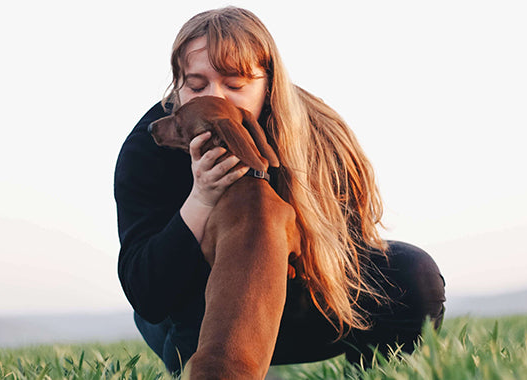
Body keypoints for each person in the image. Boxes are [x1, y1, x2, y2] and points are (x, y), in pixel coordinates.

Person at [114, 6, 445, 374]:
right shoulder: (152, 145)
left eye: (235, 85)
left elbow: (350, 249)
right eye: (196, 85)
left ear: (268, 83)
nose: (217, 97)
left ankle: (369, 372)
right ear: (177, 83)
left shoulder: (318, 132)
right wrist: (200, 200)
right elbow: (148, 296)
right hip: (193, 317)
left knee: (412, 276)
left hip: (305, 300)